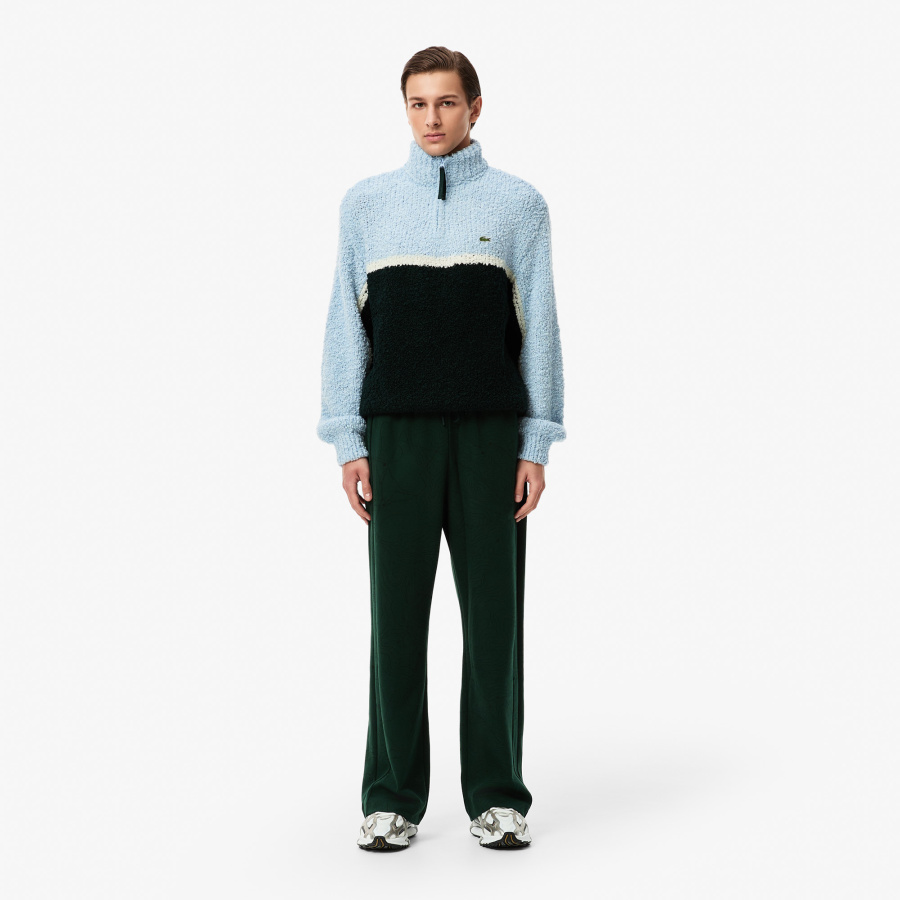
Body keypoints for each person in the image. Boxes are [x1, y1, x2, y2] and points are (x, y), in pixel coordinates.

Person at [316, 45, 566, 852]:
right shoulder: (367, 205)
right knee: (396, 621)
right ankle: (391, 797)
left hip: (492, 436)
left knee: (495, 623)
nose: (432, 118)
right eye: (419, 103)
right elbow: (346, 327)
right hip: (398, 437)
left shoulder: (520, 205)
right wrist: (349, 439)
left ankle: (497, 796)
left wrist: (537, 441)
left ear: (474, 108)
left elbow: (539, 327)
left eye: (447, 102)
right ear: (406, 109)